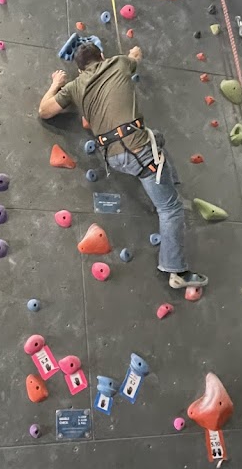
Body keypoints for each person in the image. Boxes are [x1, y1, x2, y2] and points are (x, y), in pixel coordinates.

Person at [38, 42, 208, 291]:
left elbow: (44, 110)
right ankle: (176, 271)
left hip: (113, 157)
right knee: (170, 209)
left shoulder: (74, 86)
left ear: (80, 69)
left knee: (157, 138)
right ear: (102, 56)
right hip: (138, 152)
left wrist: (56, 82)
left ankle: (170, 184)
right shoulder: (118, 62)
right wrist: (134, 51)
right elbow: (136, 56)